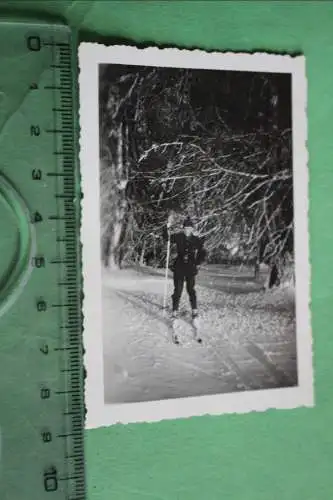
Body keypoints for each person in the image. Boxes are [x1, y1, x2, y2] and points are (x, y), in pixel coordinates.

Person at [163, 214, 207, 321]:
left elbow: (203, 250)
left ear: (192, 229)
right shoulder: (179, 237)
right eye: (186, 228)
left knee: (190, 289)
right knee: (178, 289)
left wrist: (197, 262)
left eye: (190, 228)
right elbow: (166, 237)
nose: (188, 230)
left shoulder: (196, 239)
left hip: (191, 267)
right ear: (184, 228)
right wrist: (166, 226)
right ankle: (175, 310)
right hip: (179, 266)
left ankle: (194, 310)